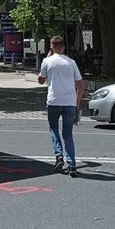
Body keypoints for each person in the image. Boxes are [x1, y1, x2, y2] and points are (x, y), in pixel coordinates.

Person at [38, 36, 84, 177]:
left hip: (53, 101)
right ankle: (72, 165)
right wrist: (77, 105)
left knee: (53, 128)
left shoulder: (47, 61)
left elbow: (40, 80)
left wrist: (45, 61)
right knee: (68, 134)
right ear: (63, 47)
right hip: (69, 102)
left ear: (51, 47)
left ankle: (59, 156)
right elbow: (80, 85)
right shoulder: (71, 63)